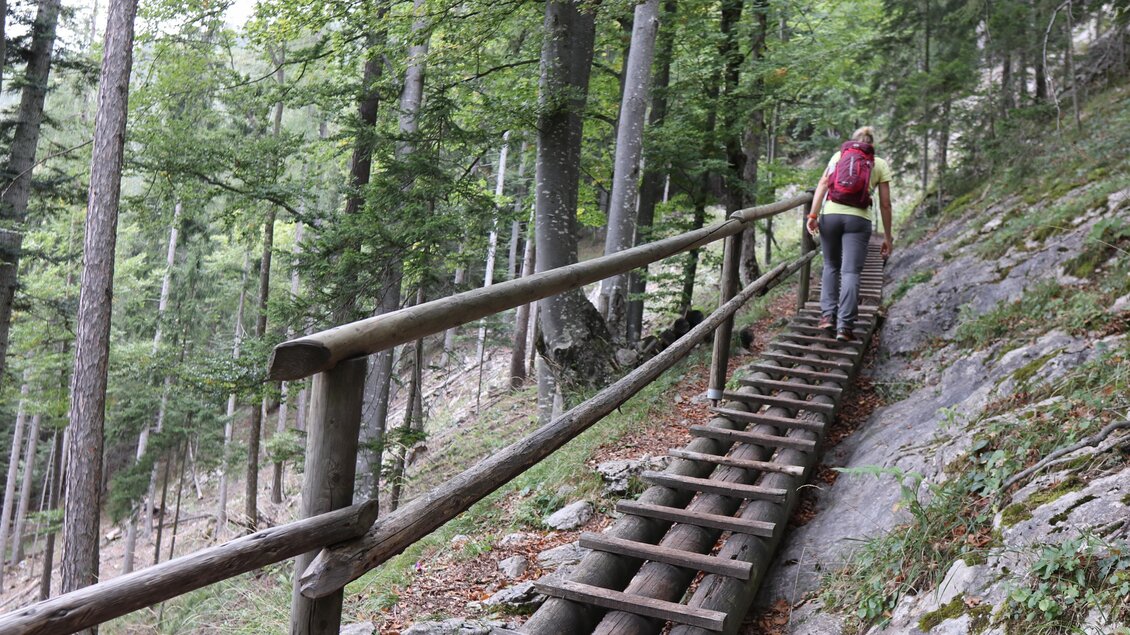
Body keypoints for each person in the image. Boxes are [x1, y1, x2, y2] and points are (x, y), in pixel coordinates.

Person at [805, 126, 893, 342]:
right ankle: (844, 327)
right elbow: (885, 204)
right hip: (859, 219)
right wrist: (887, 237)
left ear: (854, 141)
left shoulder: (839, 156)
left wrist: (813, 215)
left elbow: (823, 184)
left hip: (831, 216)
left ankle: (827, 316)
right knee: (851, 272)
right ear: (872, 144)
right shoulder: (879, 164)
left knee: (831, 265)